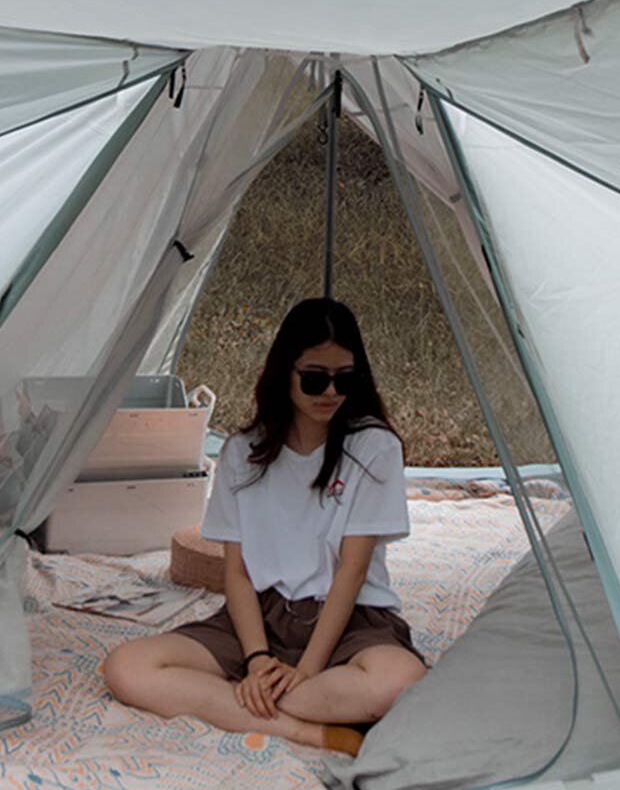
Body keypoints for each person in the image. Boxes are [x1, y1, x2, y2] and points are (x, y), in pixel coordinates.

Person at [104, 298, 427, 755]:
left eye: (344, 378)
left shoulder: (374, 447)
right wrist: (257, 660)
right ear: (285, 371)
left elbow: (352, 571)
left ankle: (243, 701)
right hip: (260, 618)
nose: (330, 392)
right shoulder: (242, 452)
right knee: (127, 667)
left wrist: (307, 670)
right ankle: (309, 731)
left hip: (349, 618)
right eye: (314, 378)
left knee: (400, 682)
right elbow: (236, 573)